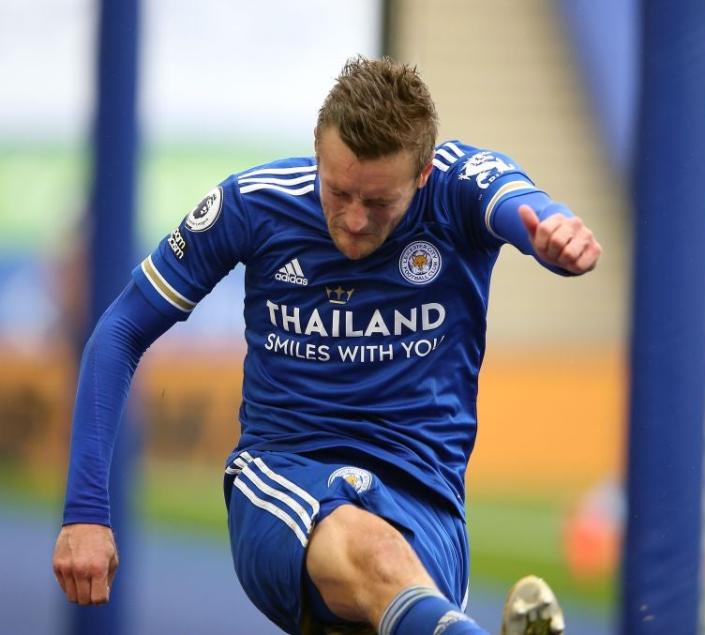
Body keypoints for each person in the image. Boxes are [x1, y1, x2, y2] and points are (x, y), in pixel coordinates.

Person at [52, 56, 601, 635]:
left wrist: (556, 231)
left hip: (425, 501)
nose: (356, 220)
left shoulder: (460, 189)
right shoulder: (254, 204)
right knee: (375, 556)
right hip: (285, 473)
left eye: (379, 202)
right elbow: (119, 331)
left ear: (422, 174)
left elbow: (527, 210)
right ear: (317, 144)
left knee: (396, 585)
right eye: (338, 191)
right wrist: (86, 511)